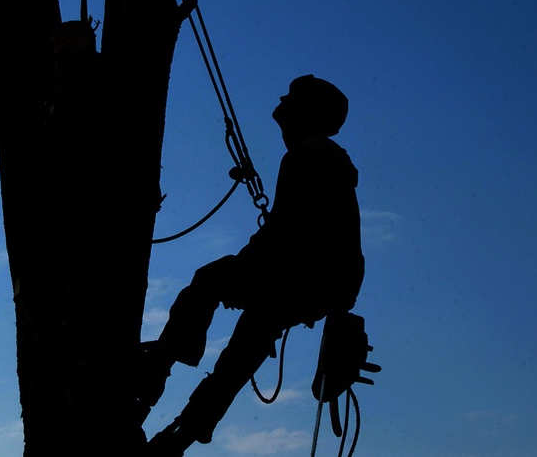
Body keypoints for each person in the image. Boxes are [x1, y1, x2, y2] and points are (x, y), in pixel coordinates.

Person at [139, 75, 369, 456]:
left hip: (306, 274)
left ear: (305, 113)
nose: (280, 103)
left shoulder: (306, 156)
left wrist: (244, 269)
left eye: (290, 100)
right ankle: (182, 432)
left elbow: (284, 234)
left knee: (210, 282)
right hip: (327, 279)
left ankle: (157, 373)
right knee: (249, 337)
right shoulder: (324, 158)